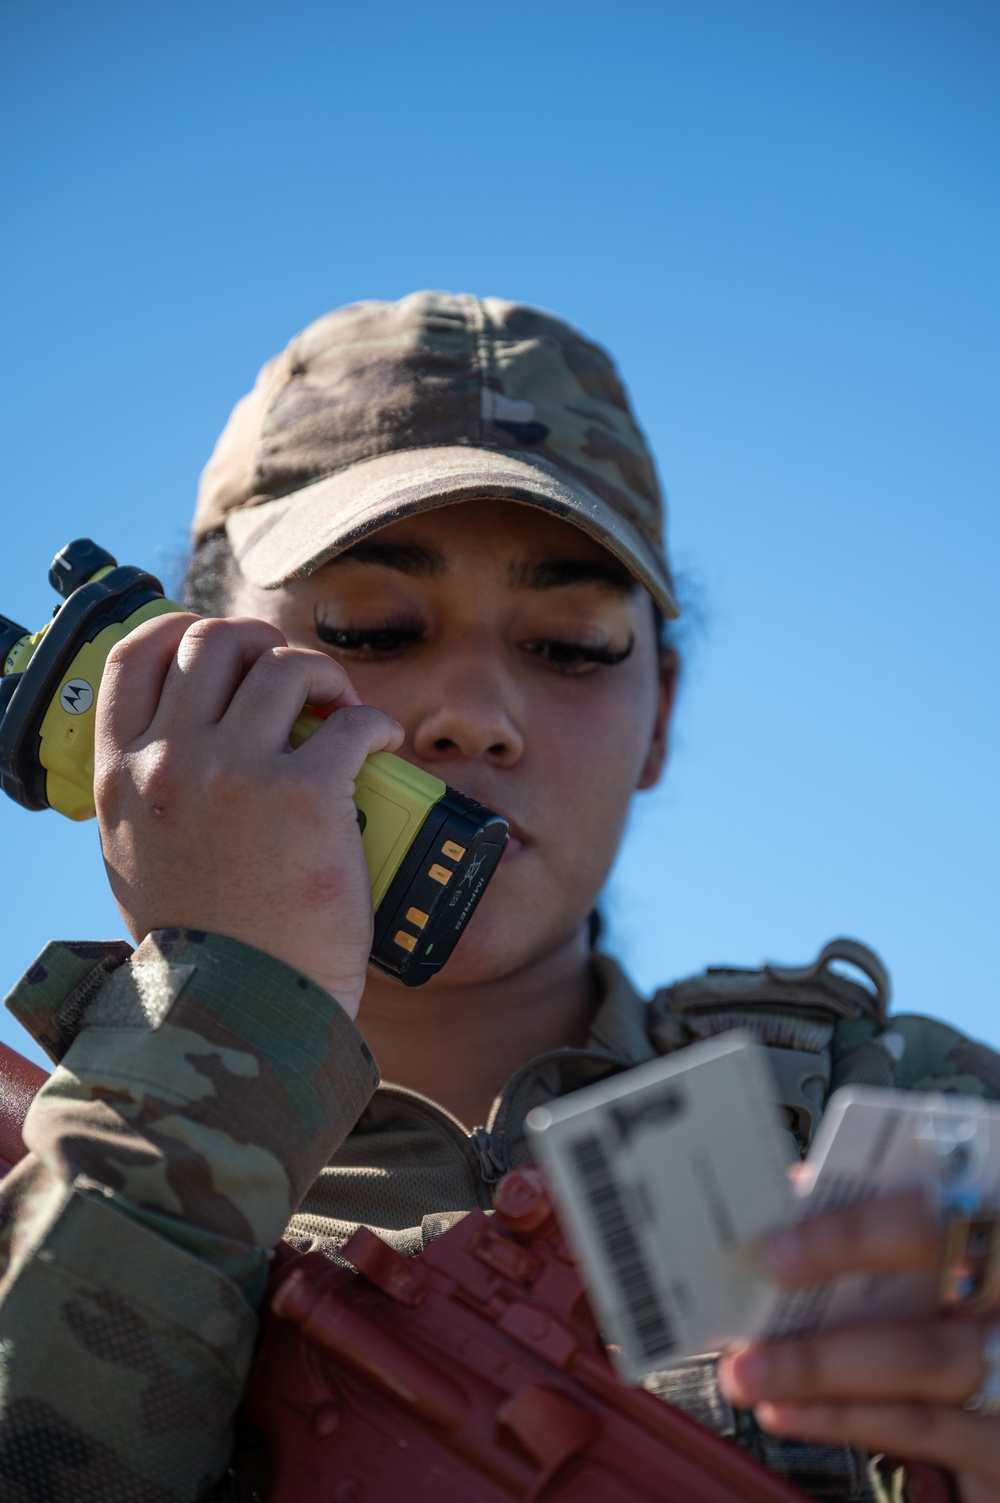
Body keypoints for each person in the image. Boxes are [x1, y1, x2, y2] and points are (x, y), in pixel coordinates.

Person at [0, 292, 998, 1503]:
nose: (472, 712)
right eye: (371, 627)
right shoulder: (36, 1174)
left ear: (662, 719)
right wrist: (222, 1018)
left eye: (569, 645)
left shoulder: (895, 1113)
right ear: (184, 674)